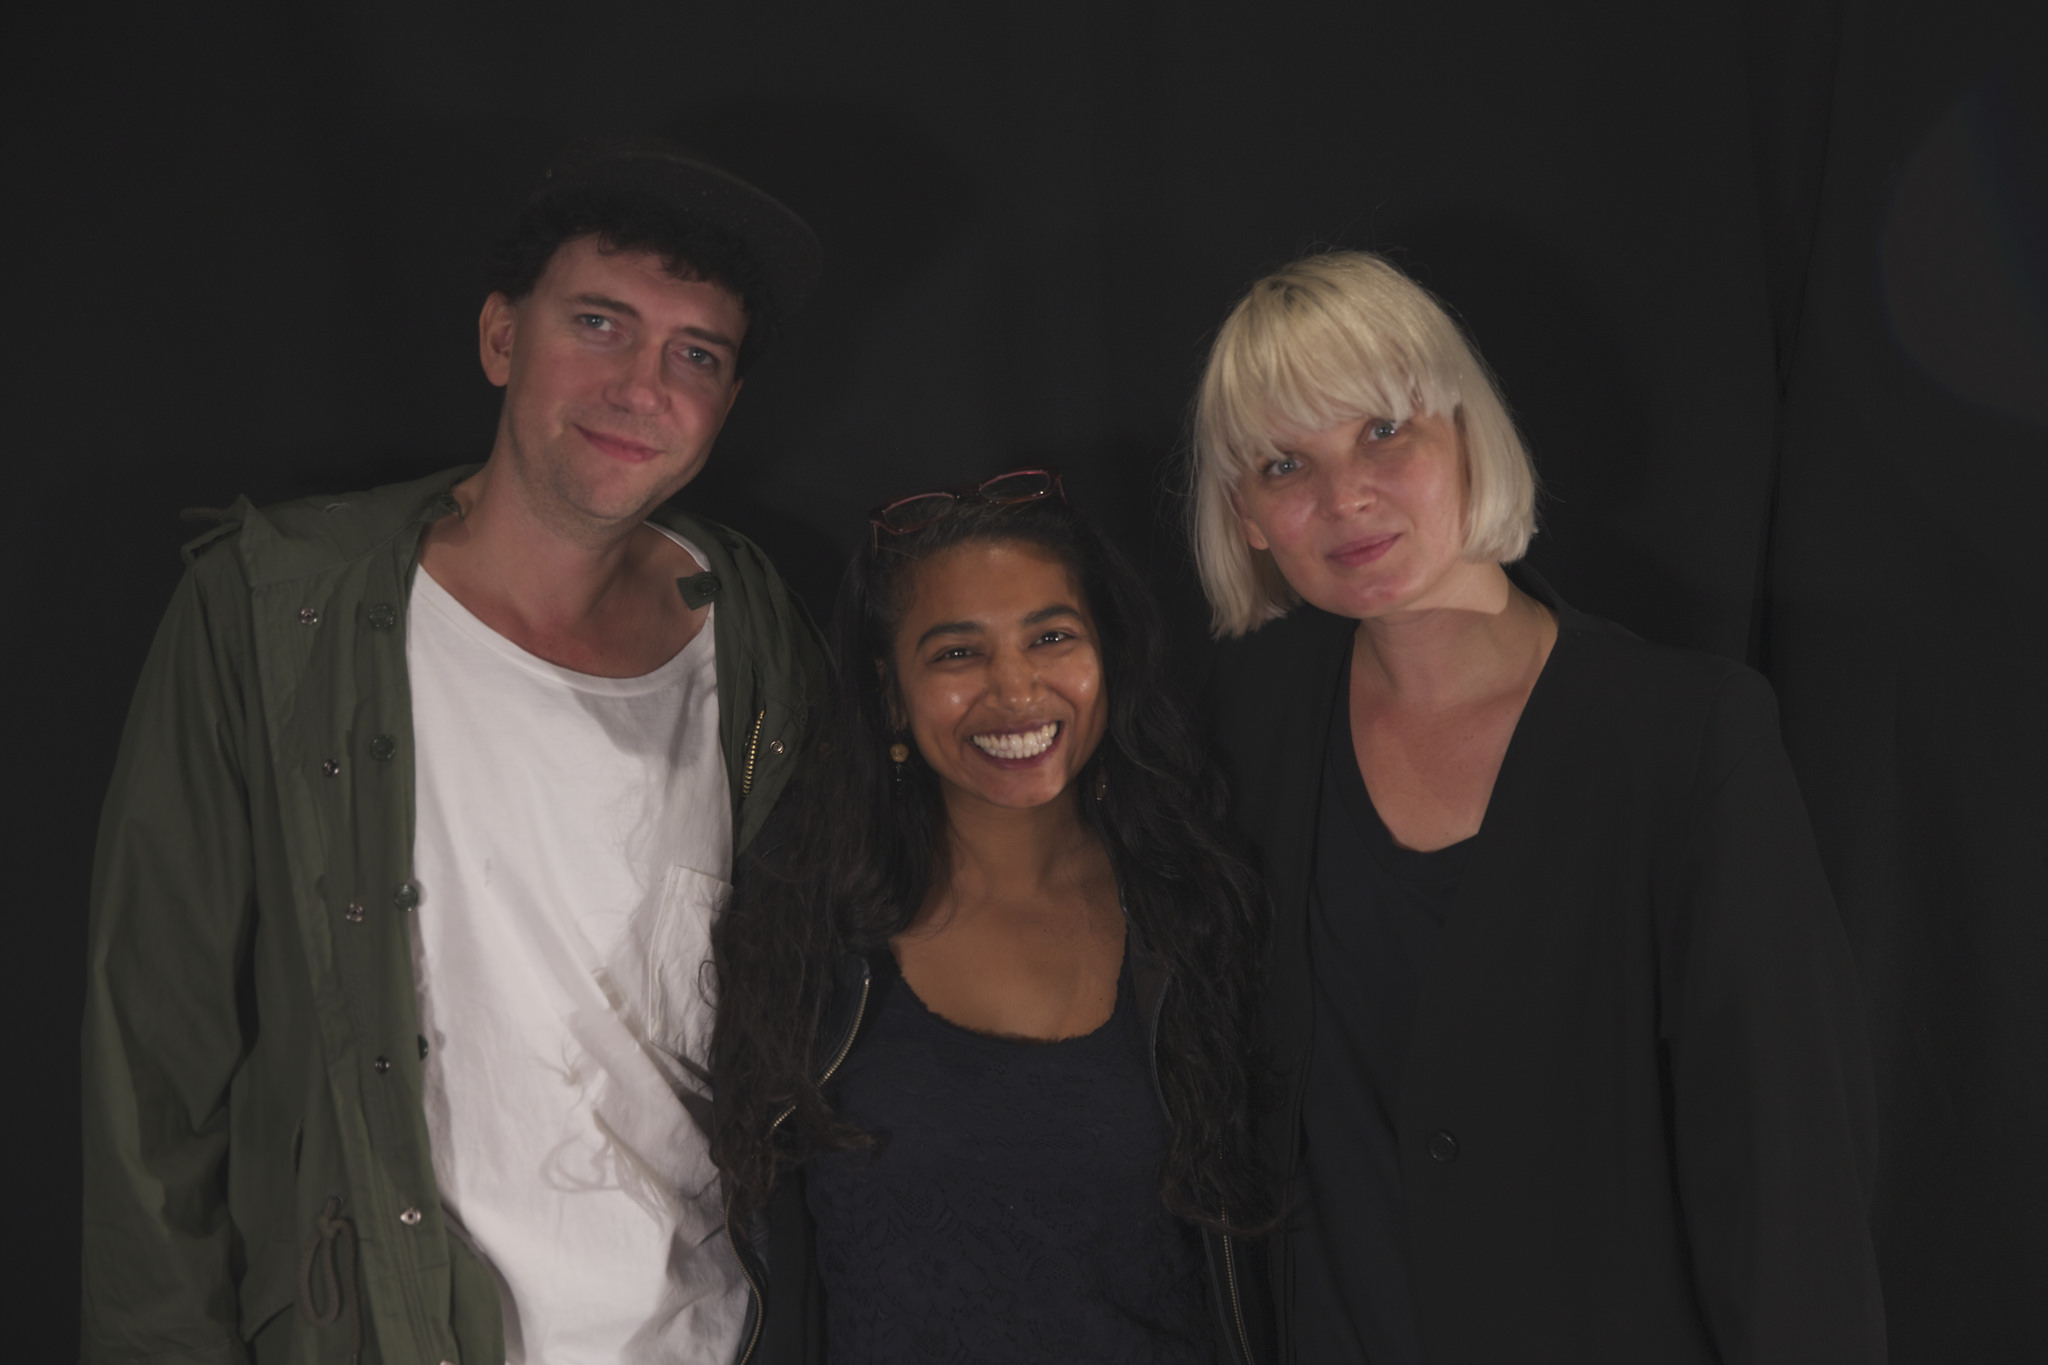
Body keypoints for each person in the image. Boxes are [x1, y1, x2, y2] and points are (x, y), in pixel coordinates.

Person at [81, 144, 828, 1364]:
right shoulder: (277, 610)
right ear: (499, 339)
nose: (642, 385)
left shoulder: (752, 638)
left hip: (703, 1336)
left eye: (694, 354)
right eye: (599, 323)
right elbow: (153, 1068)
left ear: (725, 405)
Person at [1188, 252, 1885, 1364]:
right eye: (1283, 463)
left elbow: (1784, 1168)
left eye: (1380, 432)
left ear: (1466, 431)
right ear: (1247, 517)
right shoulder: (1248, 724)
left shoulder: (1682, 738)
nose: (1342, 497)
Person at [708, 475, 1272, 1364]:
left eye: (1051, 636)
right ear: (892, 697)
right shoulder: (804, 929)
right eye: (956, 653)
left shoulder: (1202, 913)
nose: (1016, 689)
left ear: (1108, 659)